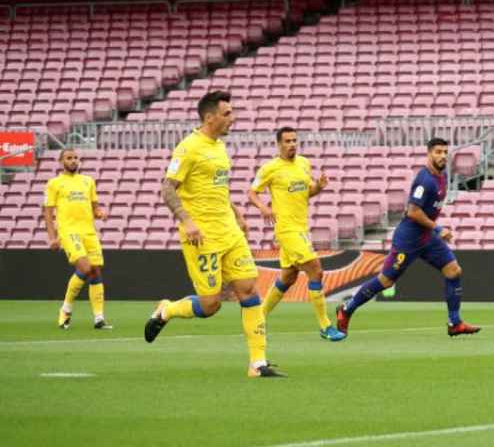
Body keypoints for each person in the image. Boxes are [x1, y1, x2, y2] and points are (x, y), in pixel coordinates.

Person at [144, 90, 283, 378]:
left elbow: (216, 189)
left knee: (247, 289)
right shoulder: (188, 148)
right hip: (202, 236)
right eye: (227, 113)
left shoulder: (219, 147)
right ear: (210, 117)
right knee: (210, 305)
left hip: (229, 231)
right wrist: (187, 220)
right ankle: (166, 311)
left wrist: (237, 213)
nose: (233, 118)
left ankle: (257, 363)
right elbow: (167, 188)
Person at [337, 138, 480, 337]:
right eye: (438, 152)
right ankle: (347, 309)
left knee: (453, 271)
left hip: (426, 238)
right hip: (409, 240)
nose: (442, 156)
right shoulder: (424, 180)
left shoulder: (442, 175)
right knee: (386, 281)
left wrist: (433, 231)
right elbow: (413, 211)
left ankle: (454, 322)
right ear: (429, 154)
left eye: (445, 152)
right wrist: (438, 229)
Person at [248, 127, 345, 341]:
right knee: (316, 271)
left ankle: (258, 316)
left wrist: (318, 186)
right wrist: (263, 208)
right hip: (286, 229)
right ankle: (325, 326)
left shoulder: (303, 163)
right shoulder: (270, 169)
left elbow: (307, 192)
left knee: (288, 276)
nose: (292, 144)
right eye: (287, 141)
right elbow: (251, 192)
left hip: (301, 228)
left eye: (294, 140)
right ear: (279, 144)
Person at [43, 148, 111, 330]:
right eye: (69, 158)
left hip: (89, 231)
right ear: (61, 162)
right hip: (69, 232)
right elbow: (48, 213)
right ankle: (66, 309)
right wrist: (52, 237)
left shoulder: (88, 181)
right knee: (86, 268)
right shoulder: (54, 183)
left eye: (75, 158)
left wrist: (100, 213)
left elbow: (94, 207)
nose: (73, 161)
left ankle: (99, 319)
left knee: (95, 271)